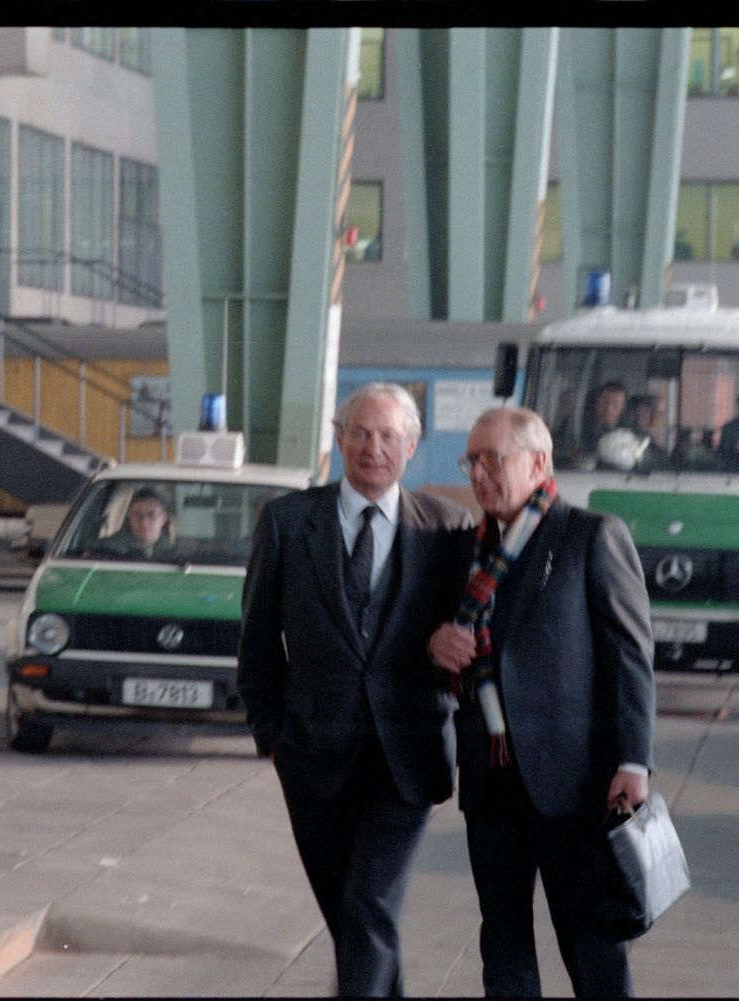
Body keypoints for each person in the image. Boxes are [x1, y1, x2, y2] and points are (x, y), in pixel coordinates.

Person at [237, 382, 474, 996]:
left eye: (389, 436)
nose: (374, 448)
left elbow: (473, 633)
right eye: (361, 433)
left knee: (368, 904)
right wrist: (271, 736)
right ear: (339, 440)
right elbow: (258, 636)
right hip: (311, 754)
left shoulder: (449, 530)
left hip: (409, 756)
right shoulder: (288, 523)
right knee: (352, 918)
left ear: (412, 445)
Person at [428, 406, 655, 997]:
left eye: (492, 459)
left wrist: (633, 761)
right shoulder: (466, 550)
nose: (479, 473)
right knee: (502, 941)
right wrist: (436, 641)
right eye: (471, 460)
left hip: (574, 784)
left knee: (591, 945)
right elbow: (430, 630)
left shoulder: (590, 536)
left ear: (539, 462)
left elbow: (629, 658)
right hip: (490, 780)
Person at [96, 486, 175, 559]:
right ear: (129, 517)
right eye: (138, 515)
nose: (144, 522)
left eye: (151, 515)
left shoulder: (175, 554)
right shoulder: (107, 550)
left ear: (163, 519)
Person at [578, 380, 629, 462]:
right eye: (605, 402)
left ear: (623, 408)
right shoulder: (581, 429)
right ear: (597, 402)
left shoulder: (632, 434)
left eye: (615, 404)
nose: (608, 409)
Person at [627, 394, 672, 470]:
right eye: (647, 413)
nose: (655, 419)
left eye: (660, 414)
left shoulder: (656, 450)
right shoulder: (623, 439)